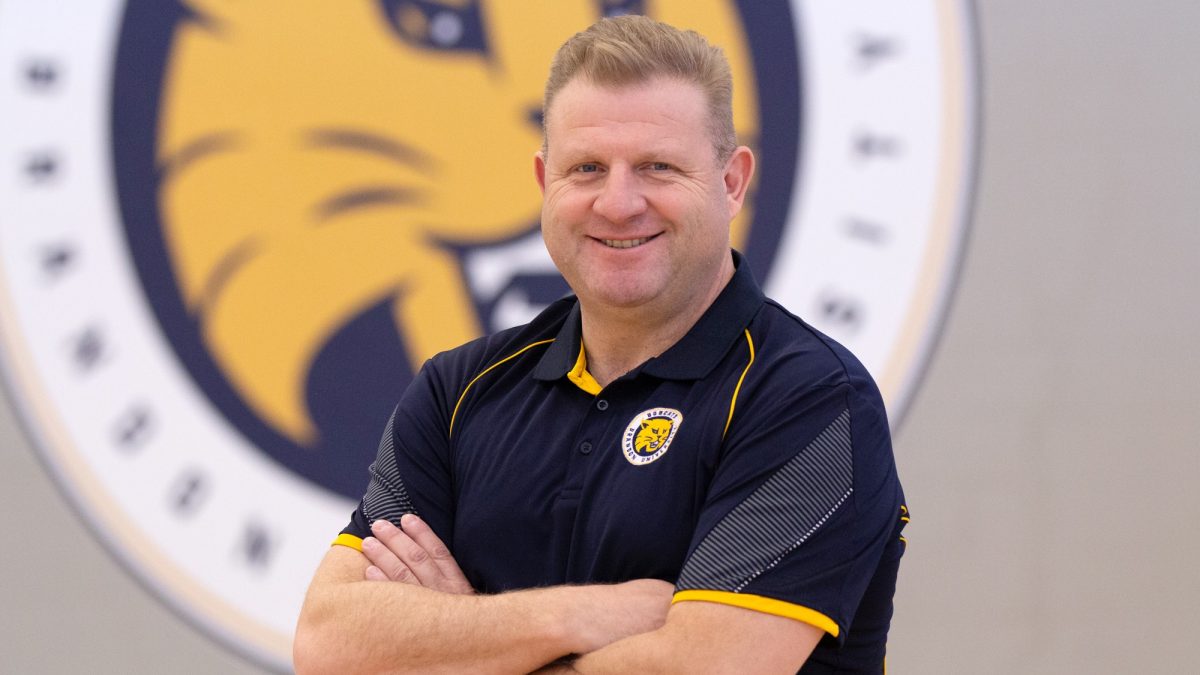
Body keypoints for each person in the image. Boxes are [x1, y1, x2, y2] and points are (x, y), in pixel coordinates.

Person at [294, 15, 907, 674]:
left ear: (732, 182)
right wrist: (576, 615)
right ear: (543, 181)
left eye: (658, 168)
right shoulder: (458, 392)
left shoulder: (808, 400)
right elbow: (329, 642)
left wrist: (460, 635)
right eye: (586, 168)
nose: (618, 203)